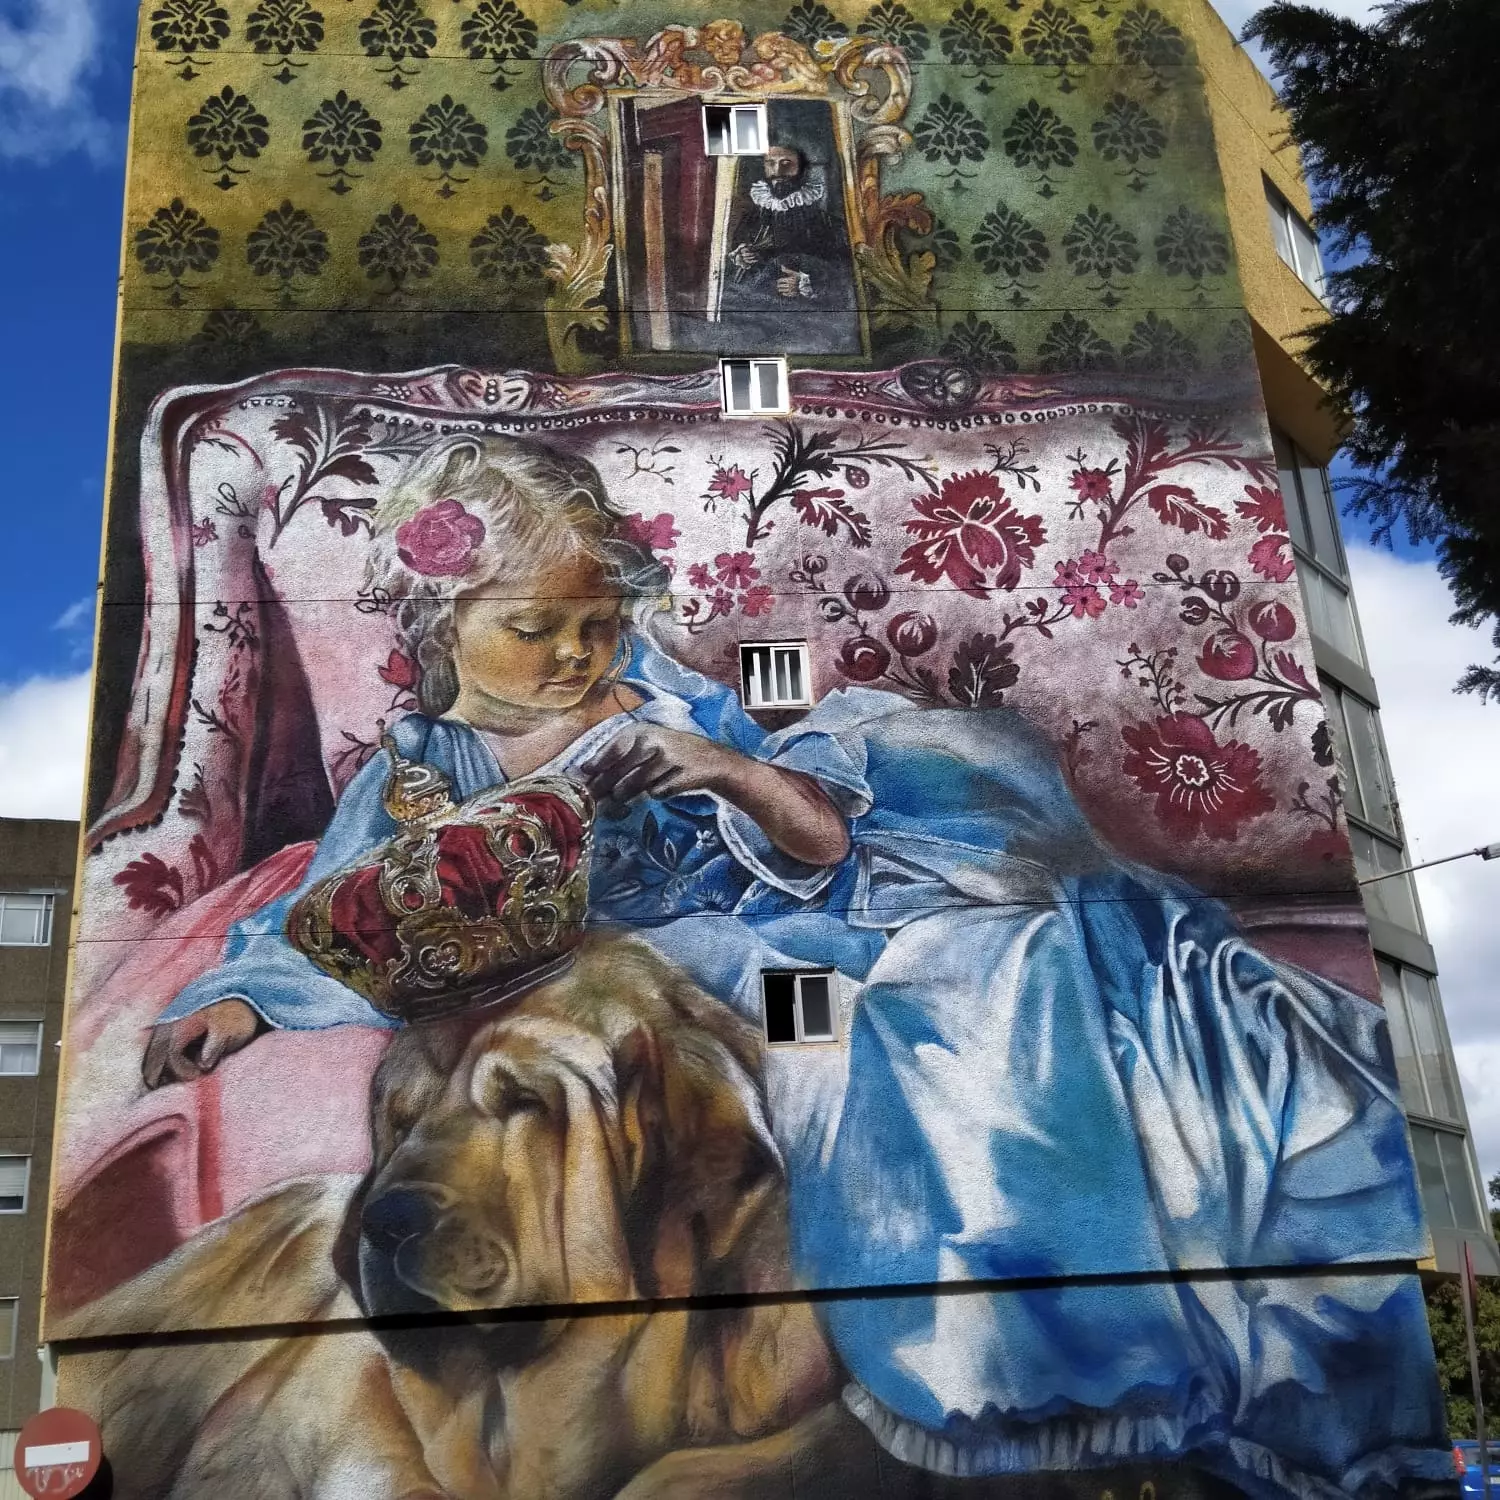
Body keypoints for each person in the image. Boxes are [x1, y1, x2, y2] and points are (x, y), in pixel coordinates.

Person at [140, 432, 1441, 1497]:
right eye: (538, 628)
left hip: (775, 924)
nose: (577, 656)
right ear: (446, 620)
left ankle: (1104, 1273)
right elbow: (334, 914)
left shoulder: (651, 715)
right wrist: (245, 1000)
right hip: (659, 969)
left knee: (1000, 986)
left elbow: (815, 843)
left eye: (597, 626)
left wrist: (726, 768)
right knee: (860, 1036)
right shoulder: (421, 775)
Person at [721, 141, 861, 354]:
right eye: (771, 163)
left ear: (802, 170)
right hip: (754, 312)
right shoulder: (752, 219)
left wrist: (807, 283)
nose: (778, 171)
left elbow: (845, 276)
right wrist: (742, 256)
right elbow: (728, 268)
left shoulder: (827, 223)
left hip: (807, 319)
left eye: (787, 163)